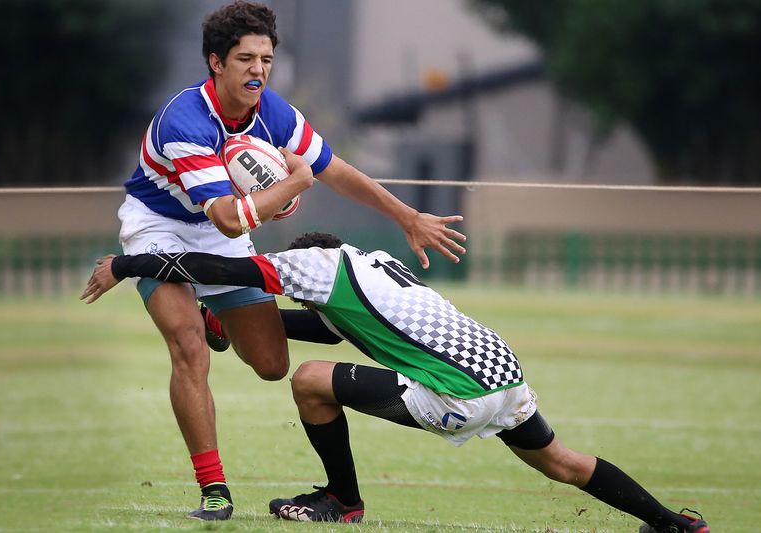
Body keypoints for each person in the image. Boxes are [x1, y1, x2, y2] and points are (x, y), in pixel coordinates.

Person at [81, 233, 711, 533]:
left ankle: (342, 500)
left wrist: (128, 263)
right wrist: (233, 324)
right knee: (561, 463)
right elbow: (332, 331)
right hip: (502, 369)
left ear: (309, 259)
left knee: (306, 383)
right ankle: (673, 524)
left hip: (457, 391)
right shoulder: (373, 265)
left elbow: (219, 263)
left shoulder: (313, 265)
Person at [115, 0, 465, 521]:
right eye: (245, 60)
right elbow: (233, 218)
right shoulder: (184, 121)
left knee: (272, 365)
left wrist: (407, 217)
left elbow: (335, 170)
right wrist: (290, 186)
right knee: (189, 347)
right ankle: (214, 489)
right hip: (159, 227)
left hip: (220, 227)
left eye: (267, 59)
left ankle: (219, 318)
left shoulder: (272, 111)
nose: (258, 70)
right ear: (216, 62)